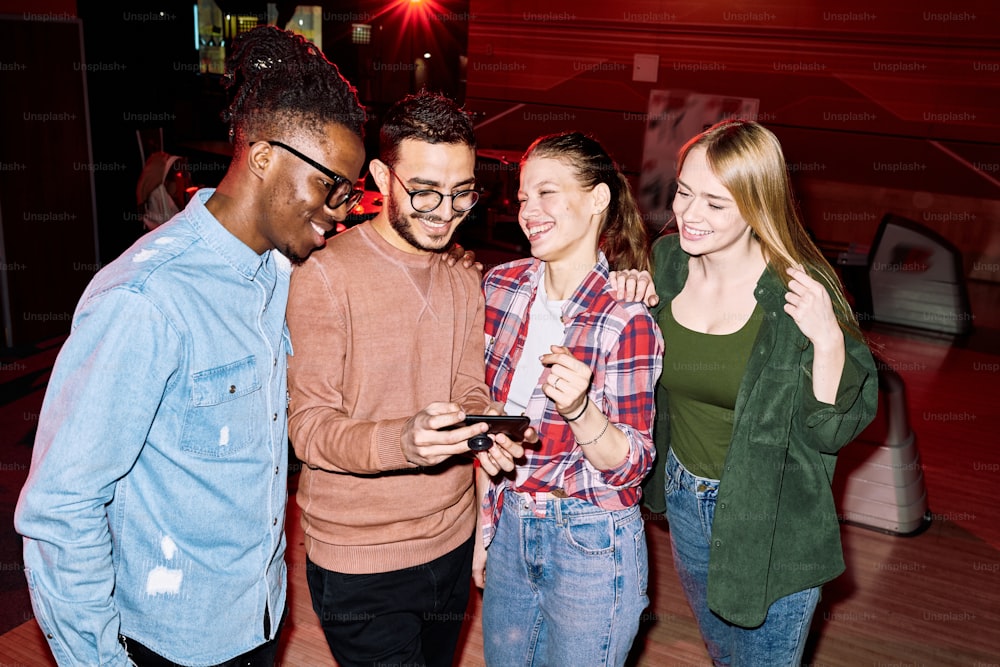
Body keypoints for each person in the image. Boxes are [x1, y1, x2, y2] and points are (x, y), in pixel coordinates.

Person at [14, 25, 368, 667]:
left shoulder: (274, 274)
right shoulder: (147, 299)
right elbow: (60, 509)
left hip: (257, 619)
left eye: (349, 192)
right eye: (330, 186)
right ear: (264, 157)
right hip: (168, 641)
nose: (341, 210)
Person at [285, 90, 527, 667]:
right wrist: (405, 440)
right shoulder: (323, 275)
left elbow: (469, 387)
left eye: (462, 192)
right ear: (380, 176)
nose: (445, 211)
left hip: (450, 541)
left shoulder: (464, 276)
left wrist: (488, 426)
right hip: (359, 559)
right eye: (424, 191)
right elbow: (309, 428)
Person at [640, 119, 879, 666]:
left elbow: (833, 429)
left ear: (757, 205)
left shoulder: (800, 289)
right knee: (724, 653)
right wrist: (632, 294)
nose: (690, 215)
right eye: (683, 192)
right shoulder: (668, 263)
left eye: (716, 204)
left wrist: (827, 341)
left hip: (770, 513)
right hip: (682, 495)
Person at [475, 131, 664, 666]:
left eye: (547, 193)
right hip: (510, 520)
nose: (528, 210)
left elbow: (633, 465)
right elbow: (484, 422)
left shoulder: (626, 317)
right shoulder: (501, 287)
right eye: (523, 196)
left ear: (598, 200)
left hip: (592, 540)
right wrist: (482, 527)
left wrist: (581, 411)